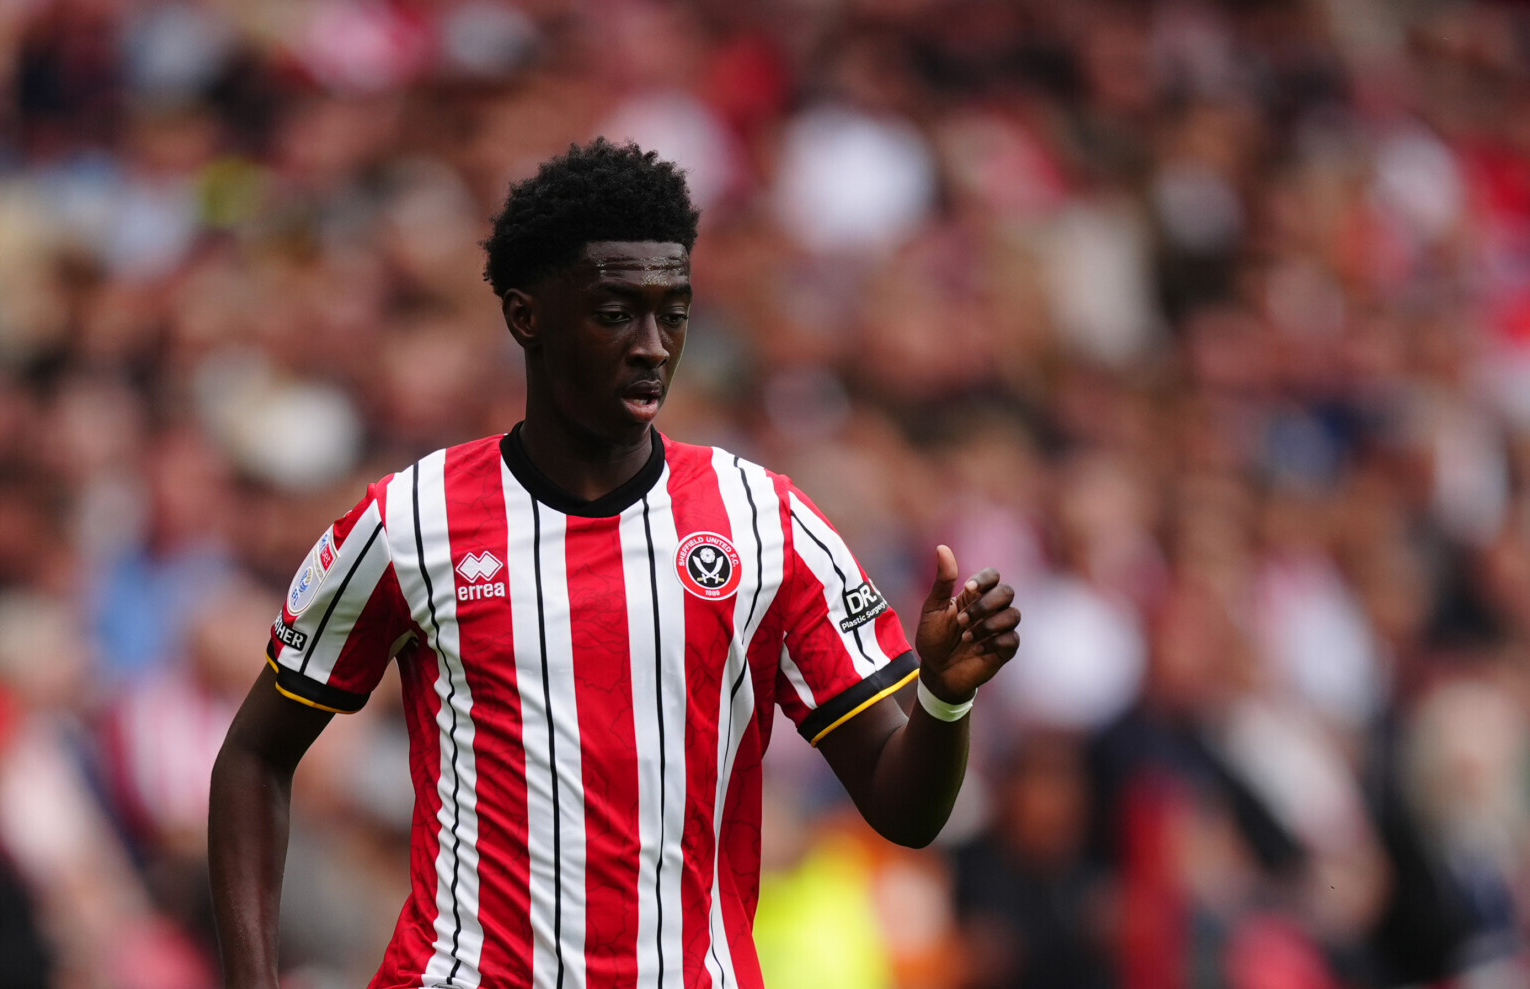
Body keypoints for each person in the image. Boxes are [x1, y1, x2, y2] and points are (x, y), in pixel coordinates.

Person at [208, 139, 1022, 989]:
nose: (652, 346)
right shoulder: (412, 520)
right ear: (526, 316)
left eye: (673, 312)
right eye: (615, 313)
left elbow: (905, 810)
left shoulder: (766, 524)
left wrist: (944, 696)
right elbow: (254, 756)